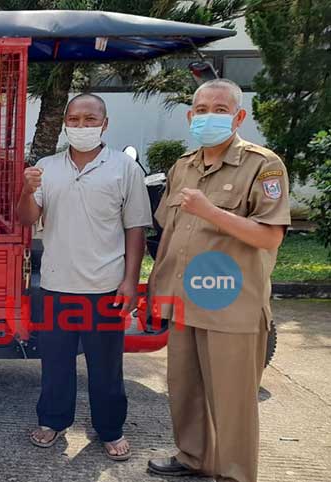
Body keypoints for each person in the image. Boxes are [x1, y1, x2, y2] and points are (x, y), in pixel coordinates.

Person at [147, 79, 290, 482]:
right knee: (185, 389)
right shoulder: (183, 167)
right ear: (191, 117)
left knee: (232, 401)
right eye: (202, 109)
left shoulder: (263, 165)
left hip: (231, 304)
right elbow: (170, 235)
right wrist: (158, 291)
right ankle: (193, 458)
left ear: (239, 116)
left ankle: (234, 474)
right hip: (185, 300)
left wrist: (212, 212)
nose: (209, 116)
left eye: (220, 109)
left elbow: (269, 235)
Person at [18, 93, 152, 461]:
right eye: (74, 119)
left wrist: (130, 281)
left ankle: (109, 429)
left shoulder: (125, 169)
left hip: (105, 287)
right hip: (57, 286)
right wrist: (28, 190)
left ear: (104, 124)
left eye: (90, 119)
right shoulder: (47, 167)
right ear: (65, 123)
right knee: (55, 364)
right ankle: (52, 422)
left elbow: (136, 229)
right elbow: (27, 218)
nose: (81, 126)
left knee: (106, 368)